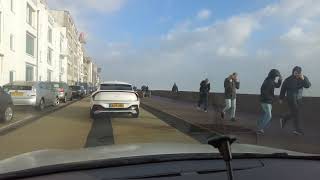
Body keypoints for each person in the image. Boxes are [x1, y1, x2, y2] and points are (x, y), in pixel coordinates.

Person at [279, 66, 311, 135]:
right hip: (291, 99)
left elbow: (308, 85)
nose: (296, 74)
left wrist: (303, 79)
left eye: (298, 73)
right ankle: (297, 130)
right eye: (295, 72)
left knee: (294, 113)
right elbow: (283, 89)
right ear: (293, 71)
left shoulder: (303, 78)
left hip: (299, 99)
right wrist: (281, 98)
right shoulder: (288, 79)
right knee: (297, 113)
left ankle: (284, 117)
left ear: (300, 72)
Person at [257, 69, 282, 134]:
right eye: (276, 76)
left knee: (265, 114)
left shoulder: (270, 80)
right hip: (266, 101)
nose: (276, 77)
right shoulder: (268, 82)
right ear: (273, 75)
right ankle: (260, 128)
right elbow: (264, 92)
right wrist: (270, 98)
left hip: (267, 101)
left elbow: (277, 86)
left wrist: (280, 80)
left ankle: (259, 124)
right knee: (269, 116)